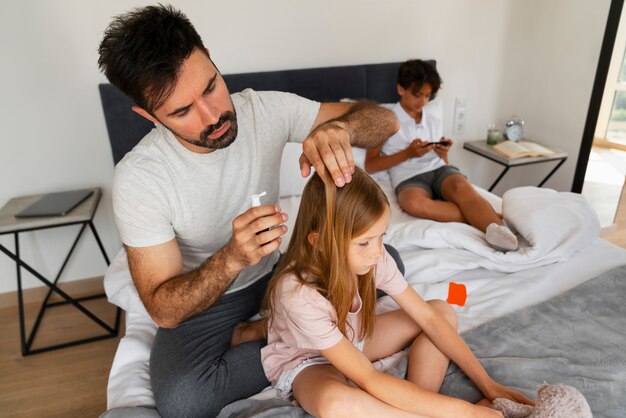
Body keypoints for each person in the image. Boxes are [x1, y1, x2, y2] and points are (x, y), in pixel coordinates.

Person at [97, 4, 400, 418]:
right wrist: (231, 259)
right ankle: (298, 337)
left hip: (284, 271)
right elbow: (163, 310)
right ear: (148, 116)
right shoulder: (140, 178)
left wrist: (341, 129)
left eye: (210, 87)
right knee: (185, 401)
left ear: (215, 63)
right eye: (182, 111)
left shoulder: (264, 110)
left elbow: (385, 122)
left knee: (386, 258)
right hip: (212, 297)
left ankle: (275, 332)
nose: (213, 115)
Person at [261, 167, 533, 418]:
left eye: (382, 237)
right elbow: (368, 377)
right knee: (335, 403)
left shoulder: (373, 258)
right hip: (309, 361)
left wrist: (489, 385)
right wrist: (467, 413)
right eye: (365, 242)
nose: (378, 252)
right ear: (319, 242)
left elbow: (428, 317)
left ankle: (423, 402)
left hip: (352, 340)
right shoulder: (296, 293)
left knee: (441, 310)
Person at [364, 59, 519, 252]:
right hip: (408, 177)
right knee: (412, 203)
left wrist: (443, 152)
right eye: (418, 94)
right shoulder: (384, 119)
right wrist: (408, 153)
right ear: (401, 89)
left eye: (428, 96)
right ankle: (486, 217)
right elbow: (371, 165)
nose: (423, 102)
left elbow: (443, 162)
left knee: (460, 186)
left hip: (437, 168)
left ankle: (498, 231)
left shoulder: (432, 118)